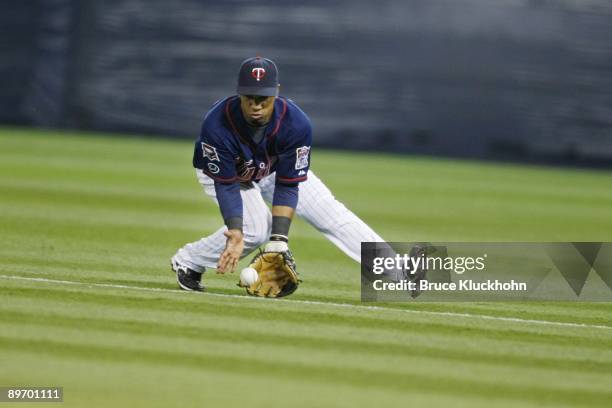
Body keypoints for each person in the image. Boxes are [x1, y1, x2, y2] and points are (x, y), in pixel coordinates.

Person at [171, 56, 388, 292]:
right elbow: (226, 185)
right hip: (226, 174)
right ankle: (190, 261)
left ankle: (399, 273)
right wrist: (235, 229)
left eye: (263, 98)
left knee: (330, 213)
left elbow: (288, 184)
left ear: (276, 92)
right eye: (249, 97)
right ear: (238, 93)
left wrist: (279, 241)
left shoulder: (296, 124)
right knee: (254, 229)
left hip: (271, 169)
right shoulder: (216, 124)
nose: (256, 105)